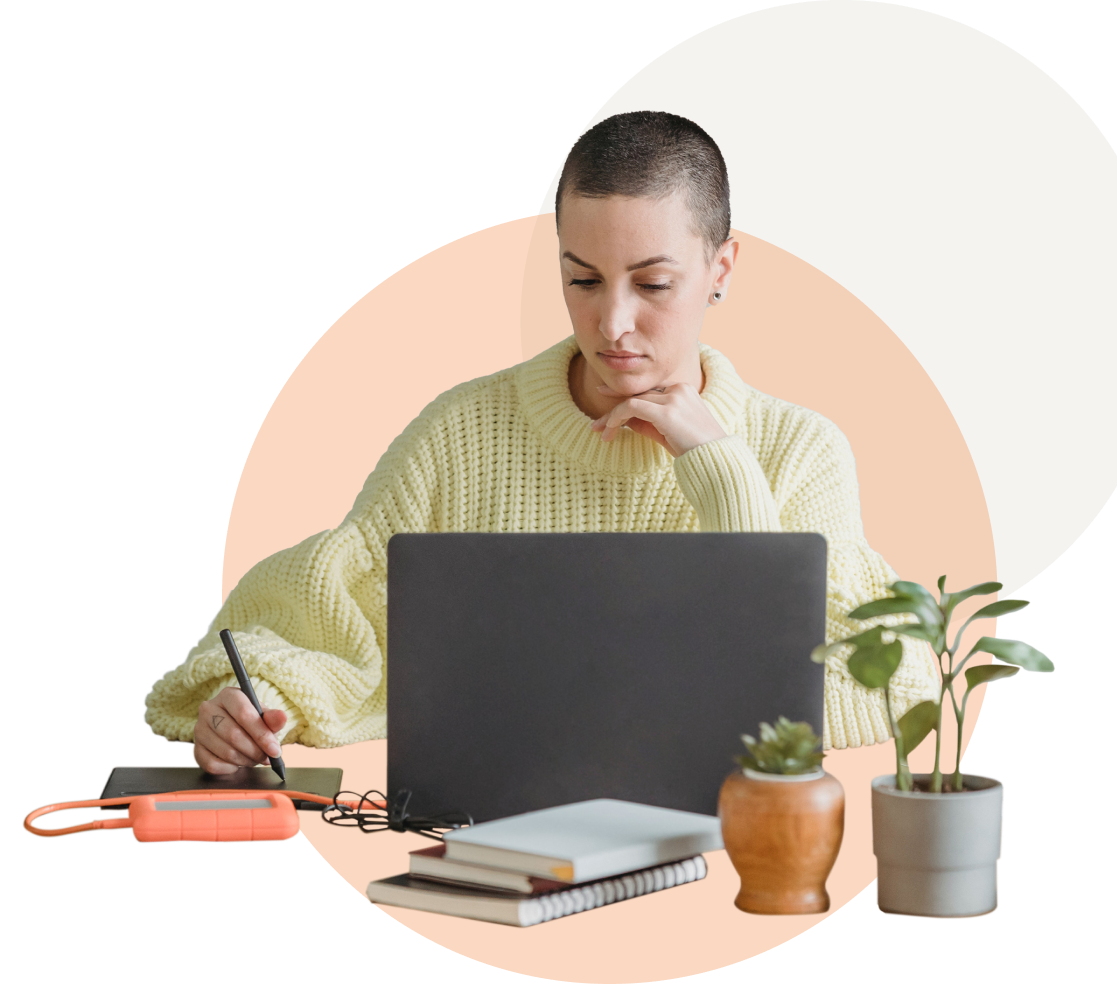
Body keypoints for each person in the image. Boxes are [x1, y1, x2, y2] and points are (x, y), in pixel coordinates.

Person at [144, 111, 940, 775]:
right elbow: (329, 616)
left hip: (722, 846)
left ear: (720, 268)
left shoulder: (800, 450)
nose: (613, 323)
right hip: (479, 832)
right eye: (582, 280)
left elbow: (872, 694)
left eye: (653, 284)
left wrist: (719, 465)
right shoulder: (459, 434)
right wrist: (249, 706)